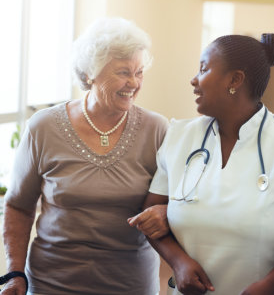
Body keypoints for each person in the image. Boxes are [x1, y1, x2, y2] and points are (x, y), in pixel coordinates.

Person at [129, 33, 274, 295]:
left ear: (235, 80)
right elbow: (151, 211)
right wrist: (179, 262)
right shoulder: (179, 136)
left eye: (203, 69)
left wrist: (269, 286)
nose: (194, 79)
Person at [1, 17, 169, 295]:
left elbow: (177, 200)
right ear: (91, 73)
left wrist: (166, 212)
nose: (134, 83)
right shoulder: (43, 127)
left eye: (139, 72)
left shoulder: (157, 129)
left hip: (130, 284)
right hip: (51, 284)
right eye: (123, 72)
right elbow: (18, 205)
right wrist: (14, 273)